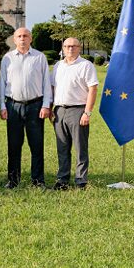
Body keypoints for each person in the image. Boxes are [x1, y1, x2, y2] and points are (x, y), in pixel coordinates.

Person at [0, 27, 53, 188]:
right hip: (13, 106)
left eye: (25, 36)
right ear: (14, 40)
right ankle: (13, 180)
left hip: (35, 106)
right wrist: (2, 105)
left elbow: (46, 83)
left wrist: (46, 105)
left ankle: (38, 180)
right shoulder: (7, 58)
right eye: (19, 36)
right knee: (14, 145)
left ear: (31, 39)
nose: (22, 38)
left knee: (36, 145)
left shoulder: (39, 57)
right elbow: (2, 83)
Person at [50, 37, 99, 190]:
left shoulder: (86, 65)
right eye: (67, 46)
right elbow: (52, 88)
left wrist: (87, 113)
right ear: (63, 48)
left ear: (79, 48)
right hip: (59, 111)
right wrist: (51, 108)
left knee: (80, 147)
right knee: (62, 147)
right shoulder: (58, 66)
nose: (70, 49)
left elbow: (93, 89)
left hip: (78, 110)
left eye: (73, 46)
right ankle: (62, 180)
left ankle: (81, 181)